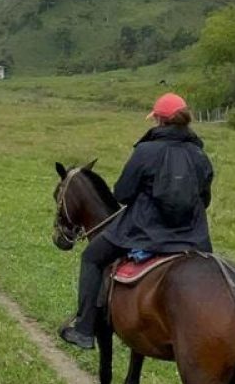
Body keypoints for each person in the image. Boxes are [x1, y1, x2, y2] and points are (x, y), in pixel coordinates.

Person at [60, 92, 214, 349]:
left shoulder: (145, 151)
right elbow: (204, 199)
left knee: (92, 257)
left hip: (143, 232)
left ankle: (85, 330)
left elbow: (122, 194)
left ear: (160, 121)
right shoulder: (200, 155)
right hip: (193, 236)